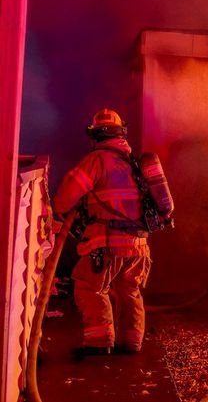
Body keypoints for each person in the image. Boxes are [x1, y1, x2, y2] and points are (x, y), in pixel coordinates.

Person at [54, 108, 151, 357]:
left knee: (90, 287)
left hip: (106, 244)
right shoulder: (135, 163)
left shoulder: (97, 161)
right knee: (129, 291)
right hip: (139, 246)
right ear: (122, 134)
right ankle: (132, 343)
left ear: (95, 135)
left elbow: (64, 200)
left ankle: (99, 343)